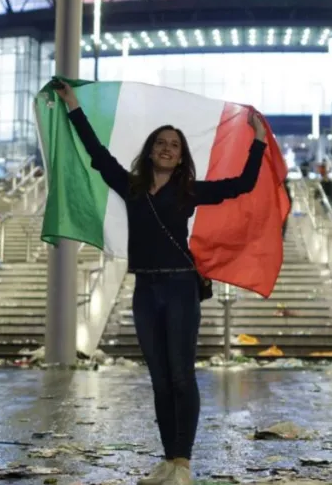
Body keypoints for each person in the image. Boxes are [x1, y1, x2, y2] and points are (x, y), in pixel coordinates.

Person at [55, 79, 267, 485]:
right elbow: (96, 152)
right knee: (159, 379)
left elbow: (242, 184)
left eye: (174, 145)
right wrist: (73, 104)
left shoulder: (189, 191)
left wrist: (257, 140)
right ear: (150, 150)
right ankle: (168, 461)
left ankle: (183, 464)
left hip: (180, 288)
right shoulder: (131, 187)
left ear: (181, 156)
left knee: (181, 376)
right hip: (145, 290)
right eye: (161, 143)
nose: (167, 148)